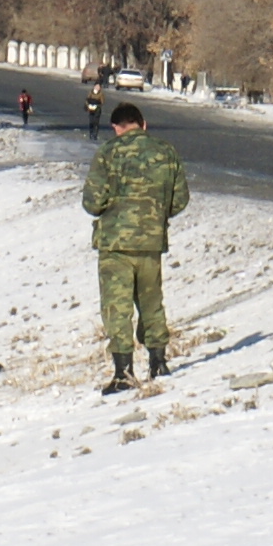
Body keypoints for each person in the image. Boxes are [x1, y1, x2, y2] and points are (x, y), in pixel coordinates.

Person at [79, 97, 188, 392]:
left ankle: (123, 372)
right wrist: (155, 215)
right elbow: (180, 199)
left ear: (116, 127)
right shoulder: (166, 152)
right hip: (151, 242)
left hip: (115, 244)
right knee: (152, 301)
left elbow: (92, 202)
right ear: (143, 125)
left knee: (117, 307)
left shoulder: (108, 153)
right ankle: (159, 362)